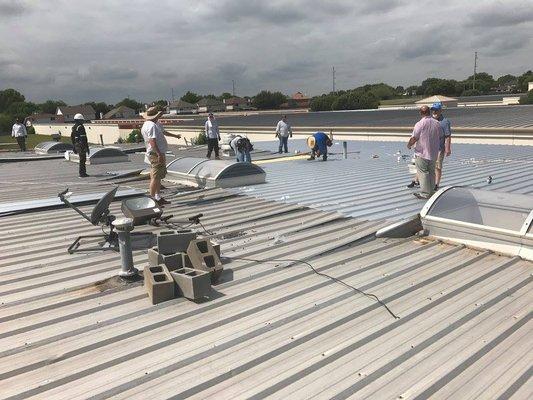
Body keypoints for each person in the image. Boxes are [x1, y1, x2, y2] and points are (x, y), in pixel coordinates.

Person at [141, 106, 181, 205]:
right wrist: (159, 154)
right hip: (155, 154)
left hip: (154, 153)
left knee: (157, 176)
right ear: (156, 115)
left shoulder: (148, 124)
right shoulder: (152, 126)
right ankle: (152, 200)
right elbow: (152, 141)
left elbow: (160, 135)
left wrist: (175, 136)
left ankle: (157, 197)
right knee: (155, 177)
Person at [407, 105, 442, 199]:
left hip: (422, 152)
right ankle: (431, 192)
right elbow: (440, 136)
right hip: (433, 153)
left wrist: (409, 145)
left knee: (423, 173)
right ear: (429, 112)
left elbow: (414, 137)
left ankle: (425, 193)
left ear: (420, 113)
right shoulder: (437, 123)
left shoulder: (420, 124)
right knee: (431, 172)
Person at [431, 102, 452, 190]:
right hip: (430, 148)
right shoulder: (430, 120)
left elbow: (447, 136)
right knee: (429, 166)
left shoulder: (444, 122)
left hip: (439, 149)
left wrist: (447, 148)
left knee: (437, 166)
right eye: (433, 110)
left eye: (436, 110)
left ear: (440, 110)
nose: (434, 112)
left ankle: (436, 184)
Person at [71, 113, 90, 177]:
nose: (83, 121)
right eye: (82, 120)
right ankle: (82, 173)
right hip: (81, 145)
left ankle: (82, 173)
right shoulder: (81, 127)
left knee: (81, 159)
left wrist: (74, 146)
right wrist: (86, 147)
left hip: (77, 144)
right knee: (83, 159)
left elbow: (72, 137)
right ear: (79, 120)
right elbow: (84, 138)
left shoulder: (74, 127)